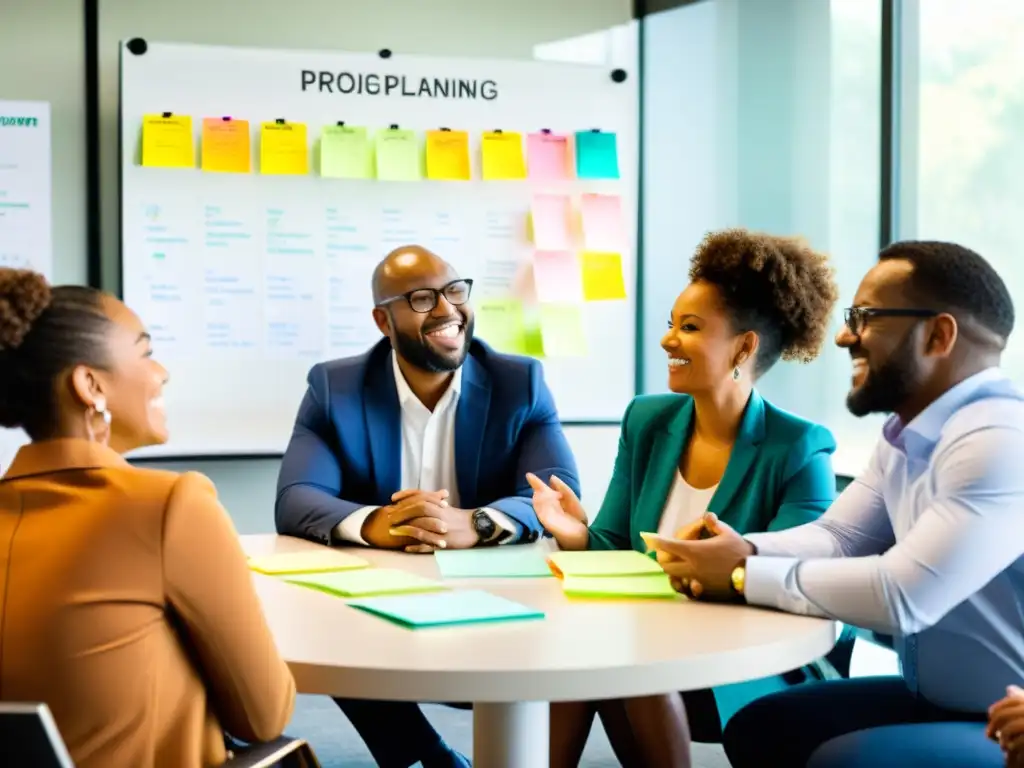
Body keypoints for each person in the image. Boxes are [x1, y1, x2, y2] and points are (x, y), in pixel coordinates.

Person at [650, 240, 1022, 767]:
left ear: (939, 335)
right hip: (941, 700)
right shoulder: (906, 434)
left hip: (1005, 719)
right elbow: (839, 539)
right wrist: (744, 549)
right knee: (761, 729)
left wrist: (739, 576)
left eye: (865, 317)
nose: (846, 335)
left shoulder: (998, 441)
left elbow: (902, 595)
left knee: (844, 759)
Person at [529, 228, 841, 767]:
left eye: (690, 328)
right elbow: (615, 549)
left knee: (631, 656)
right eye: (671, 324)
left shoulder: (800, 447)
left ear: (745, 347)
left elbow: (801, 578)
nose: (668, 340)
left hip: (748, 657)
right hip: (645, 644)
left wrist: (726, 562)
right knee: (588, 650)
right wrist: (574, 532)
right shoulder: (647, 420)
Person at [276, 244, 579, 768]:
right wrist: (376, 524)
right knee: (332, 623)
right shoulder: (336, 387)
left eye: (455, 290)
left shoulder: (518, 382)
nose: (447, 310)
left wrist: (476, 523)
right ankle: (423, 756)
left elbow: (557, 492)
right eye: (421, 298)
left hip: (499, 601)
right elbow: (296, 499)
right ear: (382, 320)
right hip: (381, 605)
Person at [0, 269, 297, 768]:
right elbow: (263, 715)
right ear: (90, 385)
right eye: (146, 353)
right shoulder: (170, 506)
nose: (162, 373)